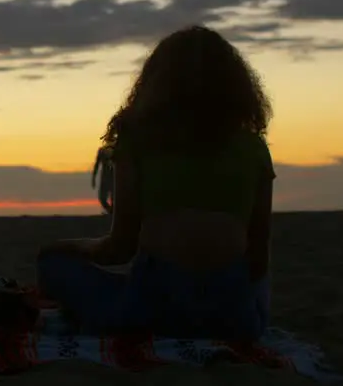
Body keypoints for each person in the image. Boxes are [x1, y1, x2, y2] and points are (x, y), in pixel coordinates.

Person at [37, 25, 274, 341]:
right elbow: (257, 262)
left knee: (52, 265)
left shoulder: (138, 142)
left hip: (151, 314)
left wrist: (72, 247)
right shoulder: (254, 149)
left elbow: (119, 248)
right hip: (234, 323)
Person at [91, 145, 115, 214]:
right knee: (102, 198)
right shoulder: (102, 151)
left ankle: (112, 212)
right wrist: (93, 178)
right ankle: (111, 211)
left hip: (114, 178)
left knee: (113, 198)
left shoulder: (117, 150)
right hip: (105, 178)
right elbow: (97, 165)